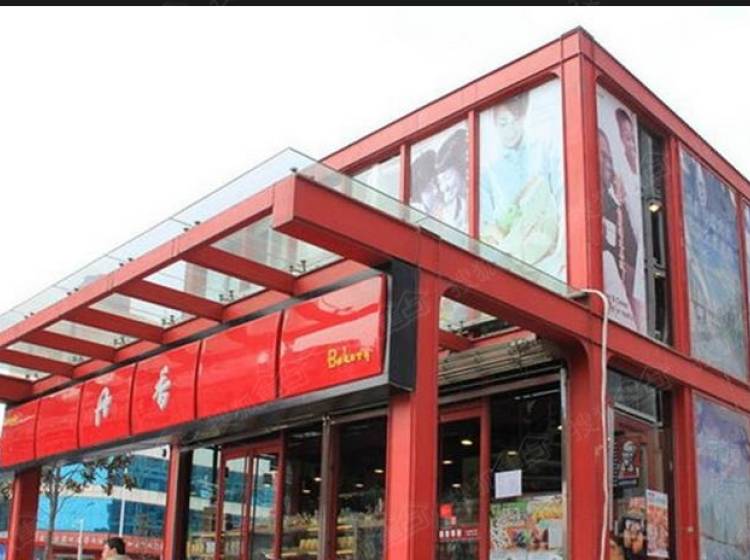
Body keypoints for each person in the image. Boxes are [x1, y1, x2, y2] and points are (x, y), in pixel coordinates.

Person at [480, 88, 563, 277]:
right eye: (503, 123)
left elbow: (561, 199)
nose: (510, 130)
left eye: (516, 120)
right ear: (494, 123)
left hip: (548, 257)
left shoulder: (543, 150)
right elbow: (486, 226)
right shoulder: (489, 170)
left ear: (524, 117)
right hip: (508, 260)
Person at [599, 129, 641, 331]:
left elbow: (632, 265)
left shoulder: (617, 206)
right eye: (602, 156)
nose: (608, 163)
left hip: (619, 312)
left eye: (609, 157)